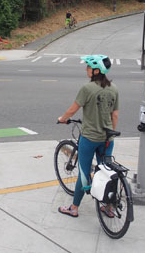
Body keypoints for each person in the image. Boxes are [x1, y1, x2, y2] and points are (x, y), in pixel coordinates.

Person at [56, 54, 119, 217]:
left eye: (89, 67)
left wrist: (63, 119)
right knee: (105, 171)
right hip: (107, 140)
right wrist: (110, 134)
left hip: (90, 138)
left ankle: (74, 208)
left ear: (96, 70)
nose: (86, 69)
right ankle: (108, 207)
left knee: (84, 174)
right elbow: (115, 116)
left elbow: (73, 109)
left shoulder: (87, 88)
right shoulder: (114, 88)